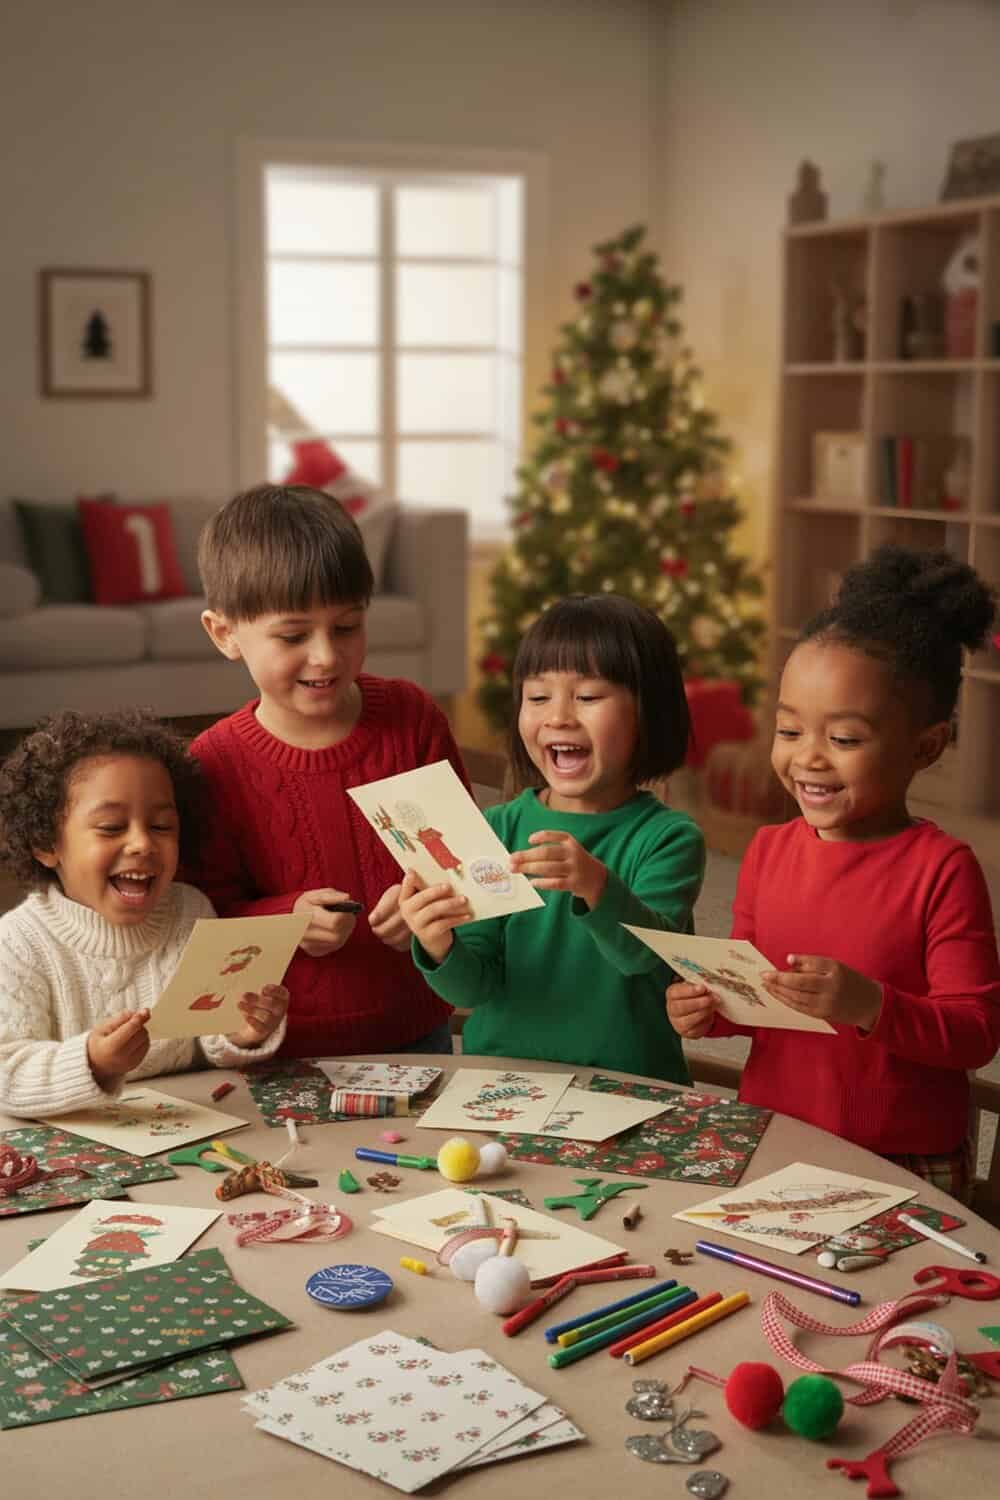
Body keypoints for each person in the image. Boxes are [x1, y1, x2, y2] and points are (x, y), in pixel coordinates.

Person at [667, 545, 1000, 1200]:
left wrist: (872, 1006)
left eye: (844, 739)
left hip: (904, 1158)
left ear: (926, 745)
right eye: (789, 731)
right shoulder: (767, 850)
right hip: (779, 1135)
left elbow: (977, 1034)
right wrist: (712, 1009)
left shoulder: (943, 869)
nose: (809, 759)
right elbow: (761, 998)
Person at [191, 483, 469, 1057]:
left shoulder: (412, 718)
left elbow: (465, 869)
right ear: (224, 634)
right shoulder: (212, 763)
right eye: (293, 635)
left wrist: (423, 902)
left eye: (346, 627)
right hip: (280, 1046)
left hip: (416, 1027)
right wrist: (284, 918)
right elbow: (200, 918)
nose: (326, 655)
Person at [399, 594, 705, 1082]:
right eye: (538, 697)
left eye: (588, 697)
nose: (558, 717)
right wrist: (438, 945)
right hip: (502, 1080)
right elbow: (472, 989)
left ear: (649, 712)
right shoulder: (494, 828)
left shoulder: (669, 838)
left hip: (630, 1083)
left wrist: (596, 885)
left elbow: (644, 959)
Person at [0, 710, 288, 1117]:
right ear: (46, 844)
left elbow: (209, 1039)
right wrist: (94, 1062)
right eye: (111, 827)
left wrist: (242, 1032)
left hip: (189, 1127)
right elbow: (6, 1074)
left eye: (161, 826)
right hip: (69, 1141)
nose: (142, 843)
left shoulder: (190, 911)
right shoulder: (18, 942)